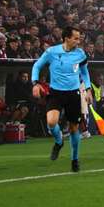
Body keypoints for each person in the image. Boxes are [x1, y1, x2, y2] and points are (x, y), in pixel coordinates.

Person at [31, 26, 91, 173]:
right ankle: (59, 142)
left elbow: (84, 71)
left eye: (79, 38)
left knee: (74, 128)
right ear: (67, 38)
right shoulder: (52, 52)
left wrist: (88, 89)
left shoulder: (80, 54)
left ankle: (74, 160)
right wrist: (35, 83)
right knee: (51, 122)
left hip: (74, 94)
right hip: (56, 93)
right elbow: (37, 66)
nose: (78, 40)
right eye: (76, 38)